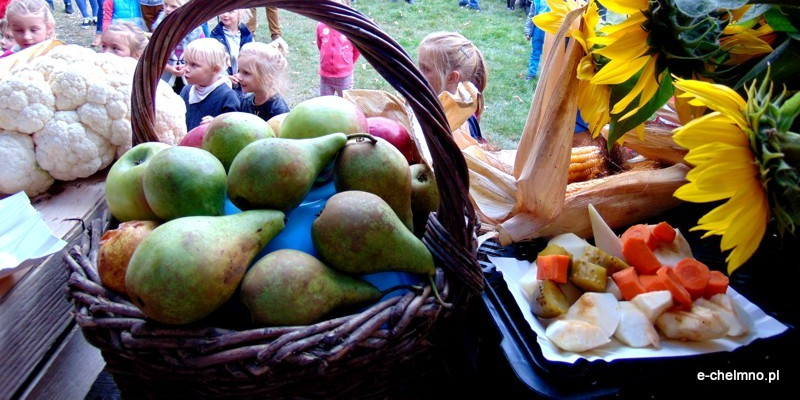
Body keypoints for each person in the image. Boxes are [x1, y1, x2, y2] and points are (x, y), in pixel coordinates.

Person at [417, 31, 488, 143]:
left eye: (425, 68)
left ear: (451, 77)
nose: (418, 73)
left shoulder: (461, 128)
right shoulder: (429, 105)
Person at [179, 38, 240, 131]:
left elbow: (235, 129)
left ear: (215, 69)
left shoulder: (227, 97)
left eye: (194, 65)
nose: (186, 69)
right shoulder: (186, 91)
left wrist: (217, 124)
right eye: (185, 63)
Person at [152, 0, 204, 94]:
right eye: (165, 5)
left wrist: (187, 66)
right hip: (165, 75)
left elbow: (203, 53)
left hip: (189, 75)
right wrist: (169, 68)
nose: (167, 9)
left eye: (173, 6)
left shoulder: (196, 30)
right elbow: (153, 56)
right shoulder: (159, 28)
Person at [236, 41, 290, 122]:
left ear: (268, 77)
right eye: (239, 70)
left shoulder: (278, 111)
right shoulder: (245, 101)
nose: (238, 76)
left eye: (246, 73)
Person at [316, 2, 360, 97]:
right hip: (325, 77)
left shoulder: (350, 27)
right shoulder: (320, 26)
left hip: (344, 77)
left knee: (346, 103)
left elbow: (356, 50)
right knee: (325, 103)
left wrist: (347, 64)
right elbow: (320, 45)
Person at [209, 8, 252, 93]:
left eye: (230, 11)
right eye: (222, 11)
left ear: (239, 13)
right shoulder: (215, 36)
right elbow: (212, 63)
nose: (225, 14)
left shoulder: (246, 35)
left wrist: (242, 74)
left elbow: (251, 60)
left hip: (243, 83)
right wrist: (225, 77)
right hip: (223, 84)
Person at [524, 0, 547, 81]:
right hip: (538, 29)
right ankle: (532, 73)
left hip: (551, 31)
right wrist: (528, 32)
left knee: (549, 53)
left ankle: (547, 75)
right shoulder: (537, 1)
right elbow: (531, 15)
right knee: (535, 52)